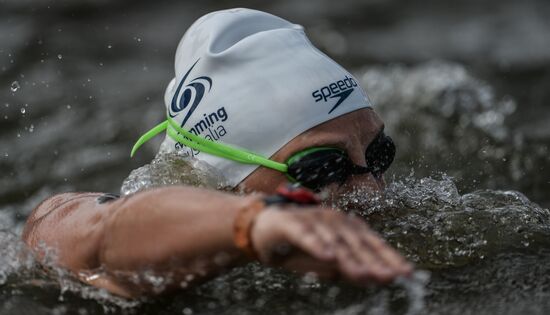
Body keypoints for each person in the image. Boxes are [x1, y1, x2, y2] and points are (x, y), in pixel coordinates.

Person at [22, 8, 413, 298]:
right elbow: (67, 230)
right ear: (225, 177)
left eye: (379, 155)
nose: (372, 191)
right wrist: (253, 226)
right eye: (322, 167)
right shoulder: (167, 227)